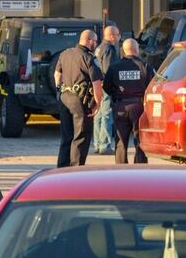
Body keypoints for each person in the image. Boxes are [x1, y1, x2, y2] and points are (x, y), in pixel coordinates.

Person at [53, 29, 103, 167]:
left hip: (64, 98)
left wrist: (59, 91)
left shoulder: (64, 54)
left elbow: (57, 75)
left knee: (66, 136)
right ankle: (75, 171)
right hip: (80, 101)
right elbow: (97, 83)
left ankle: (61, 168)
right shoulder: (89, 58)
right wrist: (98, 104)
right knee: (80, 137)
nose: (96, 44)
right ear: (90, 41)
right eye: (95, 41)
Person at [102, 38, 155, 164]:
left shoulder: (114, 67)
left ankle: (121, 170)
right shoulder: (145, 66)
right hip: (138, 106)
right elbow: (152, 86)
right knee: (140, 139)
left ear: (123, 51)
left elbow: (106, 87)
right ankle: (140, 168)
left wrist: (116, 96)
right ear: (137, 50)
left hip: (120, 106)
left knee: (120, 140)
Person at [93, 25, 121, 155]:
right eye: (117, 34)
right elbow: (109, 69)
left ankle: (97, 144)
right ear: (111, 36)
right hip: (106, 86)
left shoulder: (99, 48)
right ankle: (105, 145)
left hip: (98, 84)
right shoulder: (109, 49)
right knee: (107, 114)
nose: (118, 37)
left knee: (98, 114)